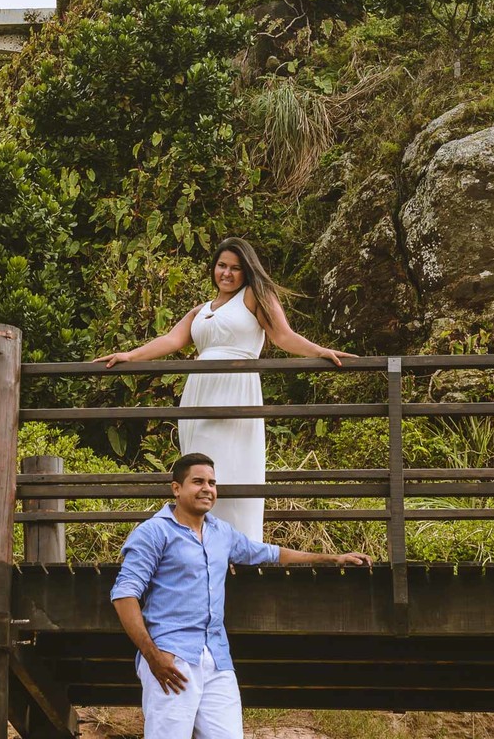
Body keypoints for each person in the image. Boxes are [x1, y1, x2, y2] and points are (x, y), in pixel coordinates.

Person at [93, 237, 354, 541]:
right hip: (199, 393)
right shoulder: (200, 310)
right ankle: (198, 540)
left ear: (247, 271)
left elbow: (283, 336)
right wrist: (130, 355)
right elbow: (170, 340)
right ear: (213, 268)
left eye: (235, 268)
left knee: (233, 465)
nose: (227, 273)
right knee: (198, 467)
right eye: (221, 266)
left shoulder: (256, 296)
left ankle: (240, 545)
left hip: (236, 389)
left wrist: (319, 350)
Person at [111, 453, 371, 739]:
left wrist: (330, 559)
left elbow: (270, 553)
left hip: (217, 658)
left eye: (212, 482)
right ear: (176, 488)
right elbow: (125, 595)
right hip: (172, 657)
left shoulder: (221, 533)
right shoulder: (153, 532)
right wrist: (153, 657)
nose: (207, 489)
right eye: (197, 481)